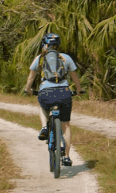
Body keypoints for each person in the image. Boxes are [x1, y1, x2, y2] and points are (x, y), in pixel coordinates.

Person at [22, 32, 83, 165]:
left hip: (46, 93)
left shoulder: (40, 59)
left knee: (42, 106)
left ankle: (44, 127)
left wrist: (28, 89)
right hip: (64, 93)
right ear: (57, 46)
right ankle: (66, 156)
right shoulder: (66, 58)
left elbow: (31, 78)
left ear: (45, 45)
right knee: (65, 124)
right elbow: (75, 78)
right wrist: (78, 90)